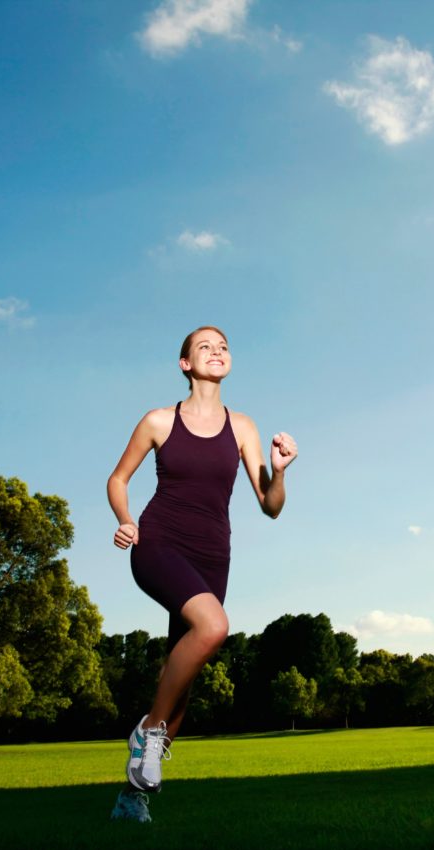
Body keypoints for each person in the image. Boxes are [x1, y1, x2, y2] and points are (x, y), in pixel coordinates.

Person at [106, 325, 297, 822]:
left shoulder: (244, 428)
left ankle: (133, 795)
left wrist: (279, 472)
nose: (216, 351)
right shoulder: (158, 420)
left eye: (224, 346)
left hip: (214, 556)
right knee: (213, 627)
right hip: (159, 544)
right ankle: (148, 731)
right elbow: (118, 477)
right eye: (204, 347)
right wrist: (125, 519)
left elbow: (270, 508)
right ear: (185, 364)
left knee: (183, 680)